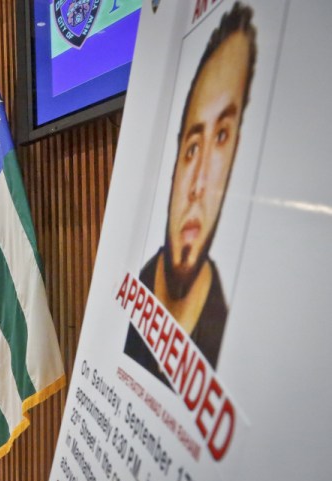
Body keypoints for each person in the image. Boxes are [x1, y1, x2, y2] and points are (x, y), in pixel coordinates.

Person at [124, 3, 257, 384]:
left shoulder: (227, 346)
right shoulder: (131, 293)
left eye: (221, 139)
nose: (199, 185)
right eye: (194, 146)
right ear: (175, 160)